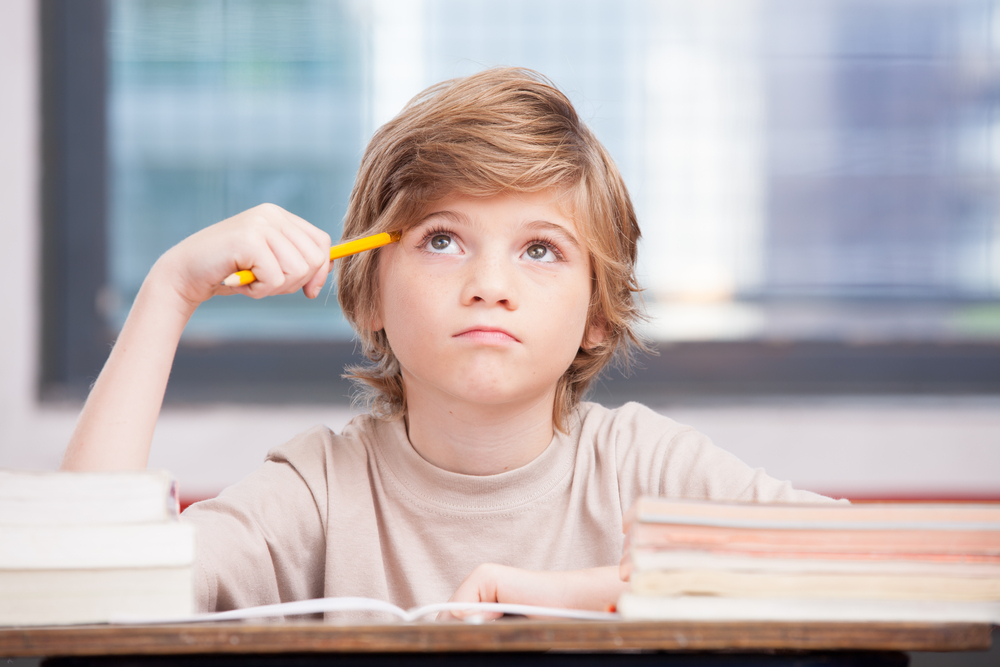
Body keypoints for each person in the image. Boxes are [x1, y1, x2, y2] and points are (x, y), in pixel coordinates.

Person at [61, 68, 837, 617]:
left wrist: (555, 595)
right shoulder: (320, 491)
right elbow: (81, 587)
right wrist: (169, 291)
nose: (489, 283)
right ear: (367, 292)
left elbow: (851, 562)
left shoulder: (643, 466)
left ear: (597, 313)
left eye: (540, 249)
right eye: (441, 239)